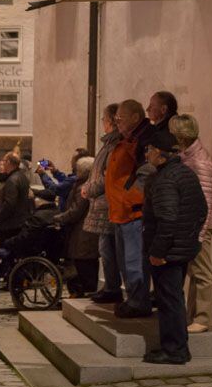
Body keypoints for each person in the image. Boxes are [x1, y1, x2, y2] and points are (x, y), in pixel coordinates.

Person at [141, 131, 207, 364]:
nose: (146, 154)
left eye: (148, 149)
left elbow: (166, 219)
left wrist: (158, 252)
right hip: (181, 247)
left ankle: (174, 349)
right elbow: (201, 211)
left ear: (160, 153)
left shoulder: (165, 179)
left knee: (169, 301)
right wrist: (190, 238)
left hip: (168, 251)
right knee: (173, 298)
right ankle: (178, 347)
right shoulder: (185, 173)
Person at [170, 114, 212, 333]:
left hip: (200, 226)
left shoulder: (200, 162)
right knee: (195, 271)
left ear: (180, 135)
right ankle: (195, 315)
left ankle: (204, 318)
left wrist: (199, 233)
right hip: (192, 225)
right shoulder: (188, 157)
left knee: (203, 272)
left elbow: (206, 202)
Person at [105, 99, 155, 318]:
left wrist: (129, 196)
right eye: (115, 119)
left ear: (135, 118)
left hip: (132, 211)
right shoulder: (126, 139)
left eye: (120, 119)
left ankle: (138, 302)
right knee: (126, 261)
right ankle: (133, 300)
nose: (117, 123)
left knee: (134, 262)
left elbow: (147, 171)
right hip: (120, 210)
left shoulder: (143, 140)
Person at [0, 189, 60, 302]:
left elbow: (25, 238)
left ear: (40, 201)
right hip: (45, 251)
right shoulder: (57, 213)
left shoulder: (38, 217)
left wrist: (8, 242)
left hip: (28, 251)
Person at [82, 104, 123, 304]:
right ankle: (110, 286)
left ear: (111, 121)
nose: (103, 123)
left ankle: (113, 288)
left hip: (108, 204)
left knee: (109, 250)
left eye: (104, 119)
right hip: (103, 203)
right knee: (106, 249)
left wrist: (89, 189)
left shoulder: (115, 144)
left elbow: (108, 176)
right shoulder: (109, 144)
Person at [54, 157, 100, 297]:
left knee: (84, 265)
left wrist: (58, 218)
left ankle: (85, 292)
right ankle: (84, 291)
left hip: (83, 233)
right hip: (83, 231)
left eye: (77, 169)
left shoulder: (83, 187)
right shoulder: (82, 184)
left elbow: (76, 211)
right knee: (85, 263)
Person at [0, 152, 30, 244]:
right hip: (20, 221)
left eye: (4, 161)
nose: (2, 163)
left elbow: (9, 204)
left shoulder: (12, 180)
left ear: (8, 162)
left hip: (10, 225)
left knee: (6, 253)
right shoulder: (22, 176)